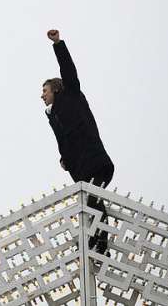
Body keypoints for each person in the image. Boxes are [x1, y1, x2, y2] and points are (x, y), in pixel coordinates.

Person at [42, 29, 113, 254]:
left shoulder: (71, 94)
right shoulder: (54, 115)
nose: (42, 95)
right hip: (81, 169)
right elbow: (63, 139)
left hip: (96, 162)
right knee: (88, 201)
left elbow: (68, 69)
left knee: (92, 199)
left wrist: (58, 44)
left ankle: (101, 244)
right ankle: (96, 243)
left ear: (55, 89)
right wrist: (64, 158)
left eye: (44, 91)